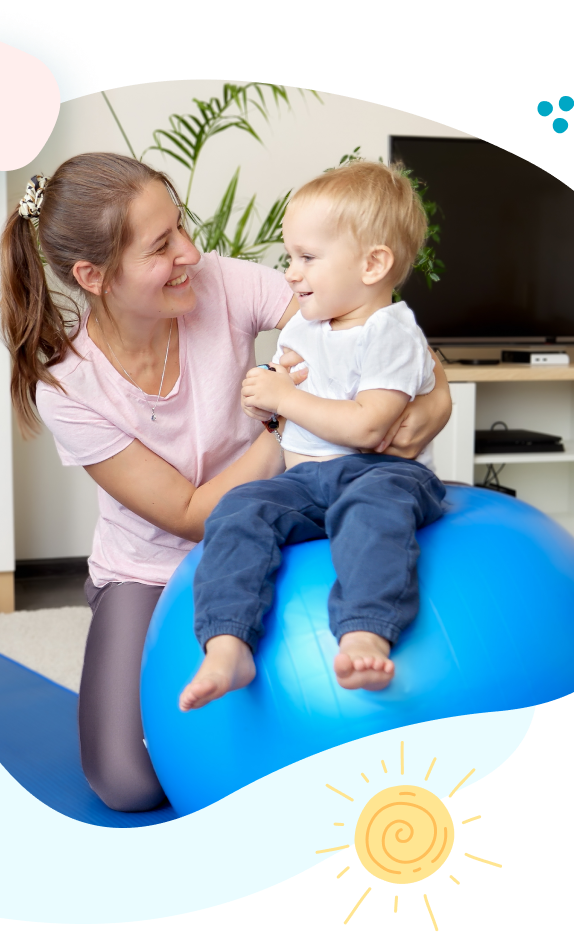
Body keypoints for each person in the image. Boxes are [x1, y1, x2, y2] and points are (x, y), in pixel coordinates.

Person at [0, 152, 453, 812]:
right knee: (128, 783)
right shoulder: (71, 385)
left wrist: (434, 399)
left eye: (181, 226)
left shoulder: (221, 283)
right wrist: (291, 427)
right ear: (94, 276)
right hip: (153, 568)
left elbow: (368, 317)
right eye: (162, 246)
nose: (191, 251)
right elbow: (186, 512)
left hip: (282, 528)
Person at [179, 159, 447, 713]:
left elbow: (371, 428)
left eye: (306, 258)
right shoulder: (305, 322)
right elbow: (283, 410)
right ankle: (228, 642)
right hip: (304, 480)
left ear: (373, 264)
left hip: (381, 474)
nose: (291, 274)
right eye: (289, 257)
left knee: (373, 512)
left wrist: (287, 398)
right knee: (239, 508)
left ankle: (366, 630)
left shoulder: (390, 331)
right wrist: (266, 405)